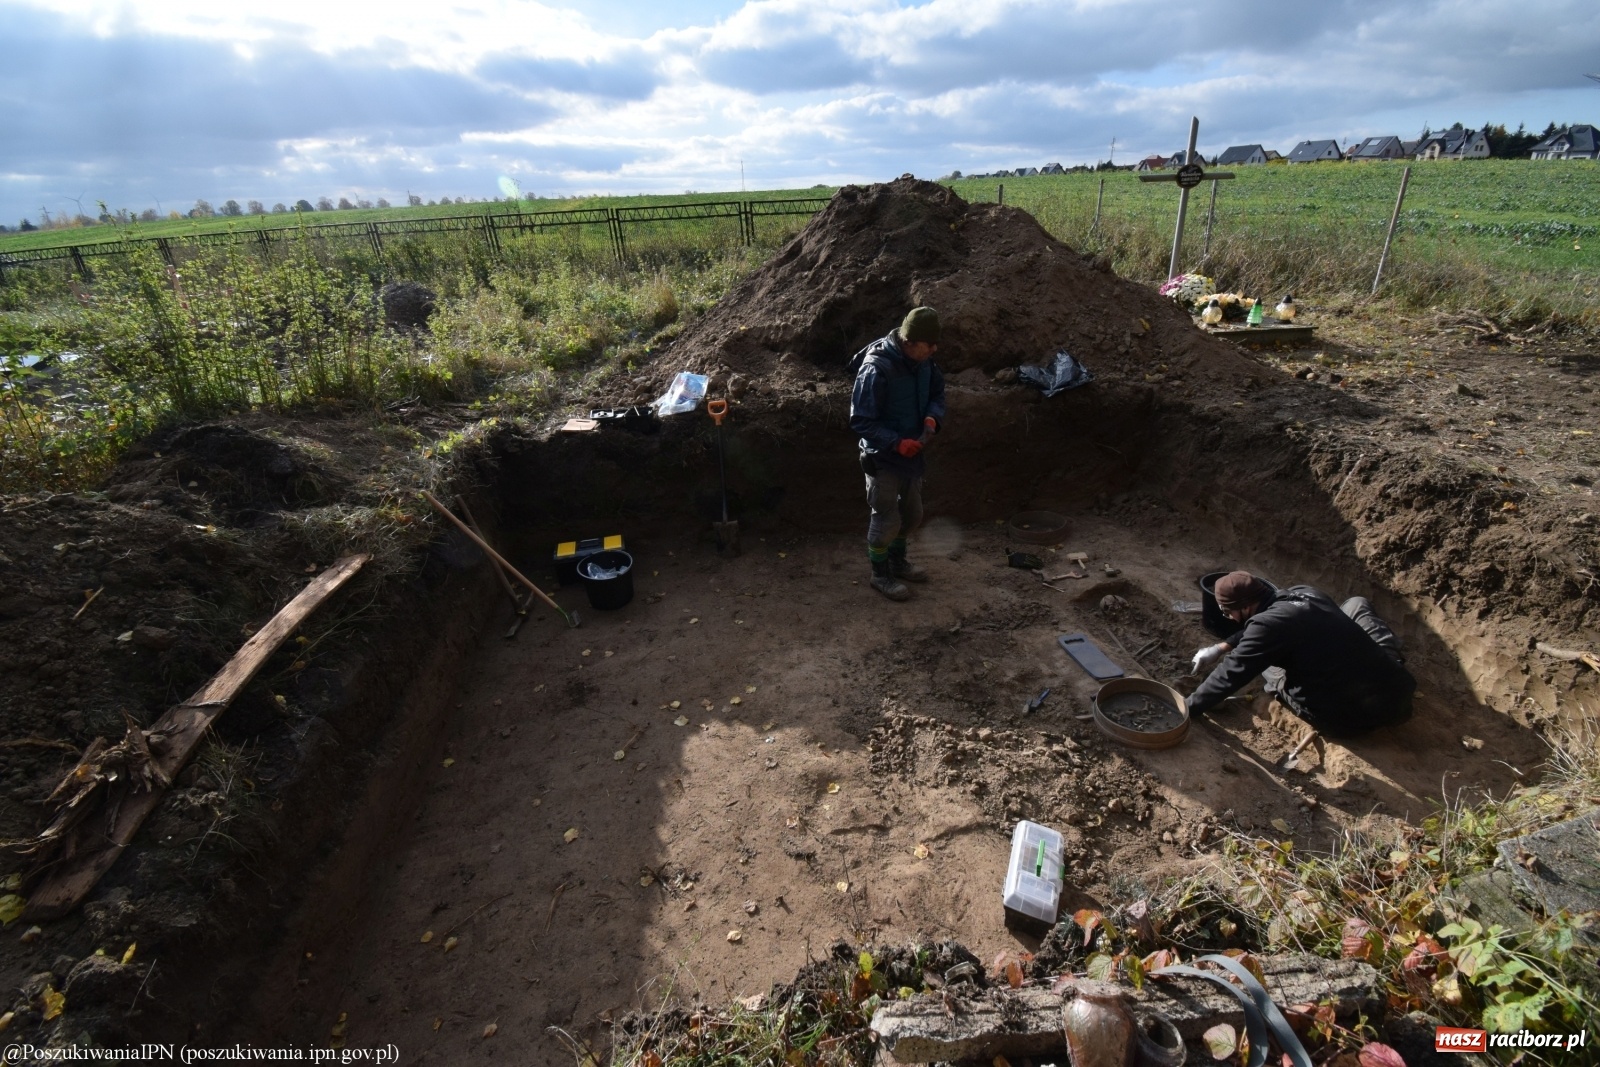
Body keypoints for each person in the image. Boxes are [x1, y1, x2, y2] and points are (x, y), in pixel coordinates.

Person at [1187, 571, 1416, 737]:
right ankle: (1389, 661)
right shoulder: (1305, 593)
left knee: (1267, 667)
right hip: (1400, 692)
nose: (1229, 619)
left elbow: (1230, 674)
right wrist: (1220, 647)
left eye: (1228, 613)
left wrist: (1187, 708)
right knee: (1356, 604)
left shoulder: (1267, 628)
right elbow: (1264, 628)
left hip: (1352, 719)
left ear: (1244, 607)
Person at [848, 306, 947, 601]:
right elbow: (861, 420)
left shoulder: (924, 362)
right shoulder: (876, 368)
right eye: (929, 345)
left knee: (912, 514)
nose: (935, 349)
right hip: (883, 457)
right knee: (887, 518)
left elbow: (937, 394)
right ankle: (880, 573)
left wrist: (932, 418)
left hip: (912, 455)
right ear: (909, 342)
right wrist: (896, 443)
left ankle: (897, 560)